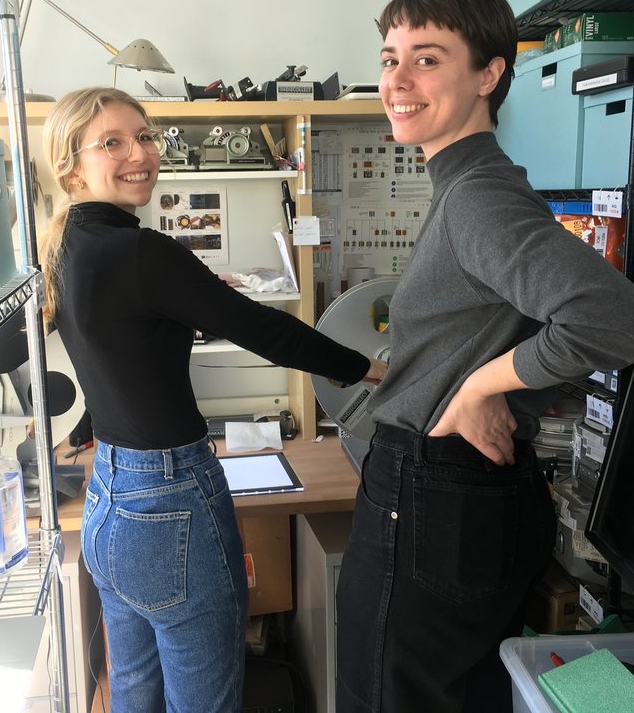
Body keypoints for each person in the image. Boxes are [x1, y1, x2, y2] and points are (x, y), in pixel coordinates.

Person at [334, 0, 634, 713]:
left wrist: (480, 386)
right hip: (452, 499)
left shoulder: (478, 194)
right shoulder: (465, 185)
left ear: (488, 74)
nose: (398, 81)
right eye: (390, 59)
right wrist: (473, 376)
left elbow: (619, 322)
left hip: (435, 499)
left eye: (426, 59)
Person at [37, 87, 385, 713]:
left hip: (109, 499)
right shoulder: (143, 251)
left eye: (146, 137)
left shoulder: (62, 251)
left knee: (135, 694)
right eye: (112, 142)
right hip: (170, 498)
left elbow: (108, 349)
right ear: (71, 166)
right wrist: (364, 367)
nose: (139, 154)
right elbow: (266, 330)